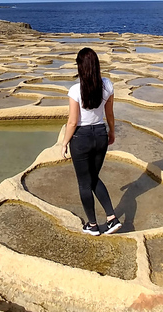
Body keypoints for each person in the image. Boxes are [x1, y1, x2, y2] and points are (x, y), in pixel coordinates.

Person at [61, 47, 122, 236]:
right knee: (93, 178)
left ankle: (93, 225)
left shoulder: (75, 90)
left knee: (84, 183)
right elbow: (109, 114)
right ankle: (112, 219)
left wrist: (64, 143)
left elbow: (72, 121)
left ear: (80, 67)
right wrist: (111, 131)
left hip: (81, 138)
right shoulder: (107, 85)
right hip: (100, 135)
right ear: (95, 65)